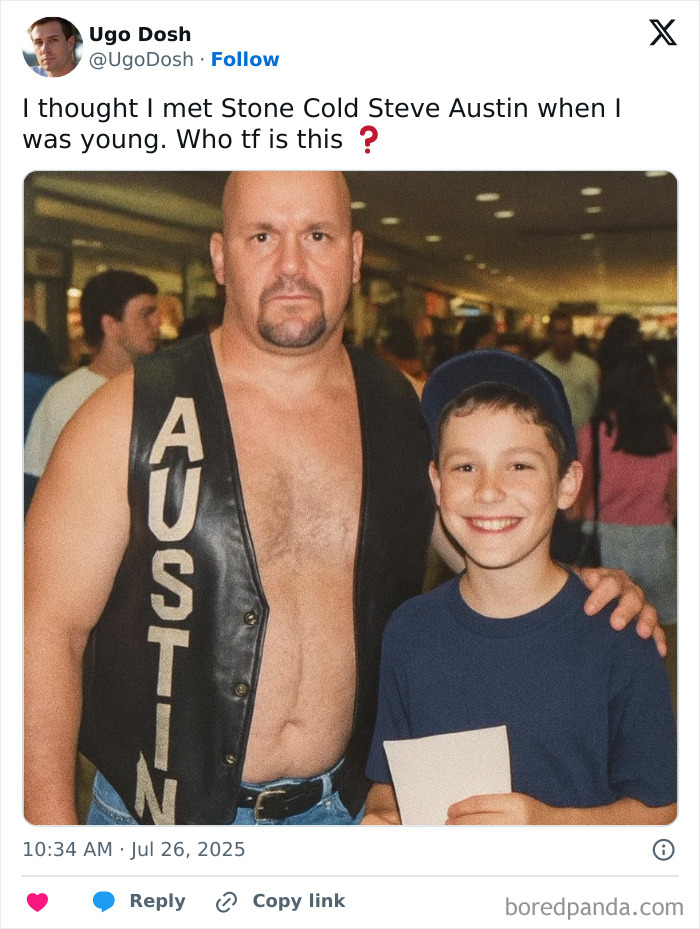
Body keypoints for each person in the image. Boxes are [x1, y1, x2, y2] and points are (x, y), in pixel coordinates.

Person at [24, 172, 661, 827]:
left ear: (354, 255)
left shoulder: (406, 412)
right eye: (263, 235)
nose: (292, 265)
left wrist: (592, 591)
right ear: (220, 255)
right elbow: (41, 631)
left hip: (348, 815)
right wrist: (50, 843)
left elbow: (494, 554)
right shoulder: (127, 416)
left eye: (318, 235)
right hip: (157, 827)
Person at [363, 351, 676, 825]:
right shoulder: (410, 631)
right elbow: (389, 786)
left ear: (567, 484)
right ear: (437, 483)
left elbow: (666, 812)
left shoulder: (618, 633)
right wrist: (385, 818)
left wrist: (548, 826)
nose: (488, 491)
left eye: (520, 466)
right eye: (465, 467)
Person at [24, 271, 160, 509]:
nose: (157, 323)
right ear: (111, 325)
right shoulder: (66, 399)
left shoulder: (160, 390)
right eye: (145, 314)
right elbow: (33, 490)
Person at [576, 352, 677, 628]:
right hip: (657, 540)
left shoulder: (595, 432)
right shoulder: (669, 435)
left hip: (605, 539)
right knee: (661, 626)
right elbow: (676, 497)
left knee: (607, 622)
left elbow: (578, 493)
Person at [535, 309, 599, 433]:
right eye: (559, 333)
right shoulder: (539, 367)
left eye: (567, 332)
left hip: (584, 443)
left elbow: (596, 402)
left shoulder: (588, 366)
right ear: (550, 335)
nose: (563, 338)